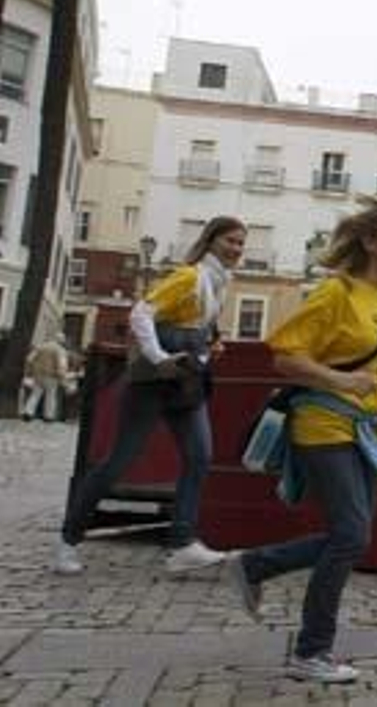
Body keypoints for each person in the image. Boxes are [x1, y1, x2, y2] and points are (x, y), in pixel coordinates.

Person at [222, 201, 377, 685]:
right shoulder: (335, 293)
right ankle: (311, 650)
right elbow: (284, 358)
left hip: (372, 432)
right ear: (370, 242)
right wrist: (339, 383)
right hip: (325, 424)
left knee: (351, 535)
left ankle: (254, 566)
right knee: (351, 535)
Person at [56, 217, 246, 577]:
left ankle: (182, 545)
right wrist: (159, 357)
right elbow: (141, 313)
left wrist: (209, 344)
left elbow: (192, 326)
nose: (236, 249)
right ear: (211, 241)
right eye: (230, 241)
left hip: (185, 380)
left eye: (241, 243)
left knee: (200, 456)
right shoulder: (190, 277)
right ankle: (68, 540)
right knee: (118, 462)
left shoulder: (219, 282)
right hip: (153, 381)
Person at [22, 335, 71, 422]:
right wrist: (62, 378)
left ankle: (28, 413)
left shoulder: (41, 346)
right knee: (51, 396)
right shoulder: (60, 350)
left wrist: (30, 370)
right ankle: (48, 416)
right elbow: (61, 365)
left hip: (38, 374)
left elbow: (29, 359)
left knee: (35, 394)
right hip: (52, 376)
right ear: (62, 341)